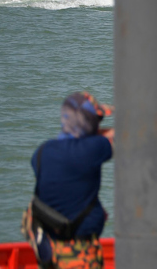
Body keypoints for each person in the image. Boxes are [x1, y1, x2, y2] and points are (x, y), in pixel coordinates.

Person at [29, 92, 114, 269]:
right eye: (97, 119)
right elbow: (126, 134)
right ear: (89, 122)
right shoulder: (92, 149)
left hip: (51, 255)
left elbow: (65, 185)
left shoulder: (42, 152)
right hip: (80, 256)